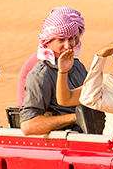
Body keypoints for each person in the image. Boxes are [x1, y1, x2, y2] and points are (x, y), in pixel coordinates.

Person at [19, 7, 90, 136]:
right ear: (48, 43)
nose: (68, 46)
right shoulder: (41, 75)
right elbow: (28, 125)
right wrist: (75, 117)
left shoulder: (78, 67)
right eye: (61, 40)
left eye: (71, 39)